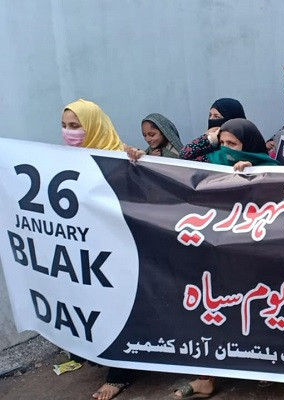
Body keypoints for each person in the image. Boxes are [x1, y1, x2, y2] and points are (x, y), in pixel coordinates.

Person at [62, 99, 133, 400]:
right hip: (87, 248)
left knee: (116, 306)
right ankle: (97, 354)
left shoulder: (119, 157)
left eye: (76, 126)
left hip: (118, 251)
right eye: (65, 126)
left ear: (94, 126)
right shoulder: (66, 161)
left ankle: (119, 374)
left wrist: (136, 161)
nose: (69, 133)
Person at [178, 119, 278, 169]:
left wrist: (253, 171)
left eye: (231, 144)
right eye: (221, 143)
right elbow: (184, 156)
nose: (225, 148)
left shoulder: (268, 167)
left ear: (248, 145)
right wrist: (210, 139)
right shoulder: (215, 160)